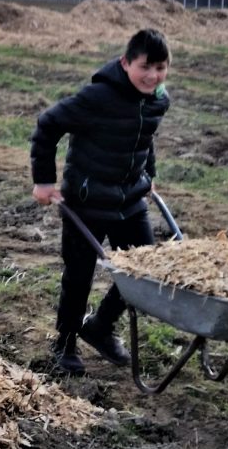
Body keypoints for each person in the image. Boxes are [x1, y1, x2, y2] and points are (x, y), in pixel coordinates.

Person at [30, 28, 171, 375]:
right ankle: (64, 344)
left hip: (130, 200)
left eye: (161, 67)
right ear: (125, 63)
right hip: (87, 199)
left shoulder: (157, 98)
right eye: (145, 67)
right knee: (79, 275)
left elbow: (144, 139)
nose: (153, 76)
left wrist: (148, 175)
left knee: (144, 271)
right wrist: (44, 182)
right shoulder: (98, 97)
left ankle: (99, 327)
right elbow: (48, 125)